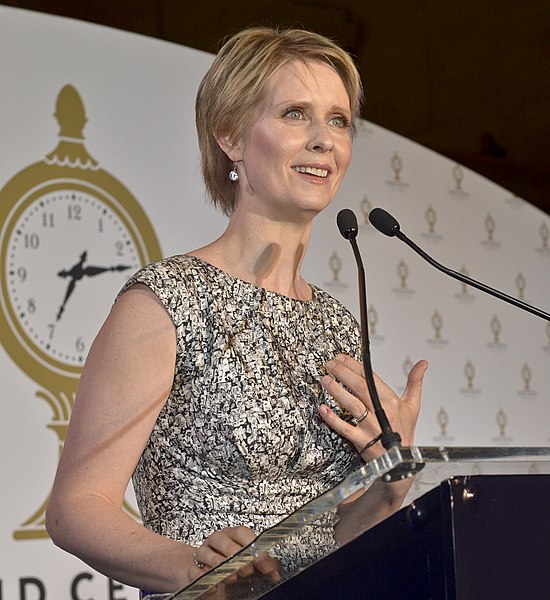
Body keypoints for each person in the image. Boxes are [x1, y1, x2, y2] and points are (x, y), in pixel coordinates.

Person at [46, 26, 427, 598]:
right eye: (296, 114)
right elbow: (75, 509)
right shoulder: (166, 301)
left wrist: (385, 489)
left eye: (339, 120)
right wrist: (193, 567)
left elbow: (322, 542)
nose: (324, 140)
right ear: (231, 136)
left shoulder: (337, 324)